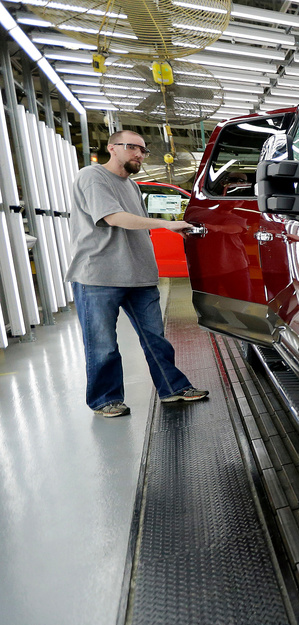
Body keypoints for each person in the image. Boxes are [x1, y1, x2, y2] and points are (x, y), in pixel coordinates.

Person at [65, 130, 209, 418]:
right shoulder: (92, 176)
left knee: (156, 338)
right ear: (111, 148)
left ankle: (172, 388)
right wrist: (165, 224)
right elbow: (113, 218)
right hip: (99, 276)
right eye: (132, 148)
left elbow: (135, 224)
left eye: (143, 151)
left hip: (139, 276)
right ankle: (105, 399)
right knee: (102, 345)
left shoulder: (131, 186)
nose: (138, 155)